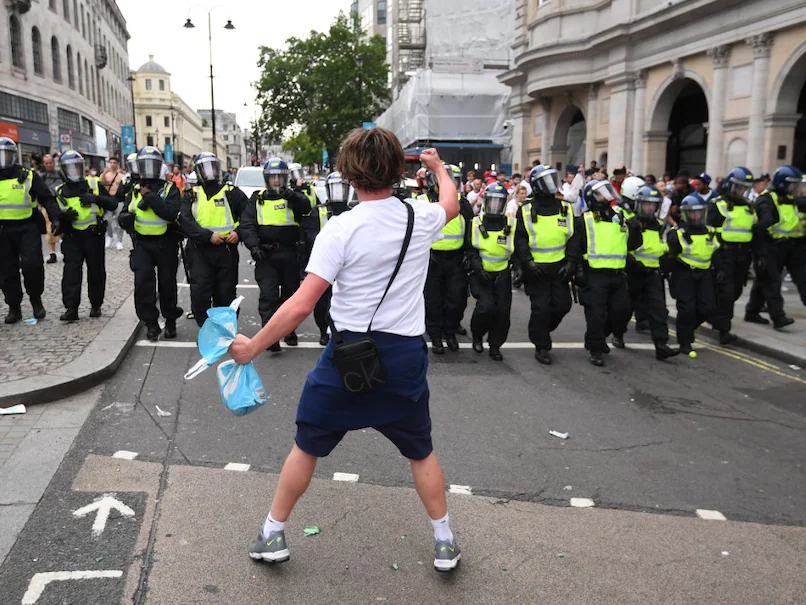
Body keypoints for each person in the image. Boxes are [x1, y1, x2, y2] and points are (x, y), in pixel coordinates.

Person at [230, 130, 462, 572]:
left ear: (348, 174)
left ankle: (273, 533)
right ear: (398, 170)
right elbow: (451, 202)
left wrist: (253, 346)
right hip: (404, 357)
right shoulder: (420, 218)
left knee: (307, 444)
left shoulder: (340, 229)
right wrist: (437, 168)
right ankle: (444, 540)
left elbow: (302, 304)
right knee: (420, 450)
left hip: (348, 356)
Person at [240, 157, 311, 350]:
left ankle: (288, 331)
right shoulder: (257, 198)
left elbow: (307, 208)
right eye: (273, 178)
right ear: (267, 179)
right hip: (266, 255)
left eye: (280, 177)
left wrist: (293, 196)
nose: (277, 181)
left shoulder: (293, 197)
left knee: (290, 297)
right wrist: (253, 246)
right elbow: (247, 225)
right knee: (268, 297)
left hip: (290, 254)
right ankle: (270, 336)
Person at [569, 179, 642, 366]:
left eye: (607, 192)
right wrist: (577, 272)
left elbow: (632, 245)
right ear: (593, 199)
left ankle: (600, 337)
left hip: (617, 274)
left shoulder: (620, 216)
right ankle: (595, 348)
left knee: (622, 312)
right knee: (596, 314)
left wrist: (635, 231)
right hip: (594, 275)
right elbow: (575, 249)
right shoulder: (585, 220)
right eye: (602, 193)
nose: (607, 196)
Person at [118, 146, 183, 341]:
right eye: (143, 165)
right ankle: (151, 324)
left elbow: (170, 214)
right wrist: (125, 219)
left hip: (166, 243)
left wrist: (150, 198)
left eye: (151, 164)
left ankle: (170, 320)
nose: (147, 169)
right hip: (142, 244)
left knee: (167, 285)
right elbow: (124, 212)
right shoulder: (133, 189)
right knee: (143, 285)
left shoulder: (169, 188)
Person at [179, 152, 249, 328]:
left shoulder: (232, 193)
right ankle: (205, 329)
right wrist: (207, 236)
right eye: (205, 168)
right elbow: (185, 221)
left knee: (225, 294)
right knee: (200, 293)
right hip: (200, 252)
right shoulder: (191, 195)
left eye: (213, 167)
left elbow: (248, 216)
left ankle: (223, 331)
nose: (209, 172)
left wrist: (238, 232)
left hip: (226, 251)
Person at [514, 165, 575, 365]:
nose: (551, 185)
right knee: (540, 308)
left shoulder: (566, 208)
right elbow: (520, 239)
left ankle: (540, 330)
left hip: (559, 268)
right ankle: (541, 346)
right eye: (546, 181)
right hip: (536, 269)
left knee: (562, 305)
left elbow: (573, 238)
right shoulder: (525, 210)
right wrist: (527, 263)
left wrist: (571, 263)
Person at [0, 137, 61, 323]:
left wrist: (56, 218)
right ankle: (14, 307)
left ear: (14, 156)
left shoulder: (27, 175)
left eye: (7, 155)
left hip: (27, 227)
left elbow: (47, 198)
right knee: (6, 270)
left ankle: (36, 301)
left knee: (33, 266)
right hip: (2, 230)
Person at [54, 150, 118, 321]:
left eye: (77, 168)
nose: (74, 172)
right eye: (70, 169)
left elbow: (112, 204)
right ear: (64, 171)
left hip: (93, 236)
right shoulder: (60, 190)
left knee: (96, 273)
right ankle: (71, 308)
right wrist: (63, 218)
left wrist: (95, 198)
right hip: (72, 238)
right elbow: (54, 217)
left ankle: (96, 305)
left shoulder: (94, 184)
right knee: (71, 274)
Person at [418, 164, 474, 354]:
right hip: (431, 258)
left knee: (456, 299)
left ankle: (450, 331)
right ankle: (435, 336)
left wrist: (468, 254)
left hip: (456, 259)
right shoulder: (422, 201)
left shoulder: (462, 203)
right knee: (433, 299)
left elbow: (470, 230)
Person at [744, 165, 806, 327]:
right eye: (793, 184)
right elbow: (762, 226)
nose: (796, 188)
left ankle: (752, 311)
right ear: (782, 184)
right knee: (771, 282)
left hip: (793, 247)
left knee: (801, 278)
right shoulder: (767, 200)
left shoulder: (792, 199)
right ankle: (778, 317)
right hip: (771, 246)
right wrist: (762, 251)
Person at [625, 186, 679, 360]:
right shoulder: (631, 223)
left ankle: (661, 345)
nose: (649, 208)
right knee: (624, 309)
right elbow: (624, 248)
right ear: (639, 205)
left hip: (653, 274)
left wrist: (667, 260)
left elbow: (665, 248)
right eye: (646, 204)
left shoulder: (661, 227)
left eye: (653, 205)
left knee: (658, 310)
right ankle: (617, 334)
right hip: (633, 273)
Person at [466, 182, 515, 361]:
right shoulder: (475, 222)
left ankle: (495, 345)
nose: (495, 206)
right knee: (485, 308)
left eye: (499, 202)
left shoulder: (511, 223)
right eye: (492, 201)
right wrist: (478, 269)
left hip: (502, 274)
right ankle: (477, 335)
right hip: (481, 274)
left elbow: (516, 250)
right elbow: (470, 250)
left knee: (502, 312)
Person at [707, 166, 756, 345]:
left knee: (736, 291)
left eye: (744, 188)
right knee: (726, 293)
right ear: (729, 186)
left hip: (742, 256)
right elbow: (709, 233)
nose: (741, 191)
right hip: (724, 253)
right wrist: (715, 258)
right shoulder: (718, 204)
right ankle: (723, 330)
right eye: (738, 187)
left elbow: (753, 230)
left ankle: (715, 316)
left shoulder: (749, 208)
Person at [666, 195, 720, 355]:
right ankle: (685, 341)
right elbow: (669, 257)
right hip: (684, 275)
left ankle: (687, 329)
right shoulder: (678, 233)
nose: (696, 216)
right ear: (685, 214)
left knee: (708, 308)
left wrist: (721, 269)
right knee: (687, 309)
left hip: (704, 275)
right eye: (692, 213)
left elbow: (716, 252)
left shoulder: (710, 231)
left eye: (699, 213)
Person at [309, 171, 351, 345]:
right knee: (320, 302)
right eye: (334, 189)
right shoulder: (318, 211)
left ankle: (338, 331)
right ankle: (323, 330)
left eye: (341, 188)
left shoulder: (354, 211)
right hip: (324, 264)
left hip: (346, 265)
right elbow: (309, 235)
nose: (338, 193)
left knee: (342, 300)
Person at [40, 153, 65, 264]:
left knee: (65, 227)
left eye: (51, 162)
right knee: (50, 229)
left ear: (54, 163)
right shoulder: (42, 177)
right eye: (47, 163)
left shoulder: (61, 174)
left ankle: (66, 251)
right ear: (44, 164)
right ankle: (52, 253)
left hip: (61, 204)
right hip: (48, 206)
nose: (49, 165)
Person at [101, 156, 125, 250]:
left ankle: (119, 240)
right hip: (108, 199)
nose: (112, 164)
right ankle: (109, 236)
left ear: (117, 164)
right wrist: (103, 173)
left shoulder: (121, 176)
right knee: (107, 220)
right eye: (111, 163)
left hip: (118, 199)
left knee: (119, 220)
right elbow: (101, 183)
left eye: (114, 163)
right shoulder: (106, 175)